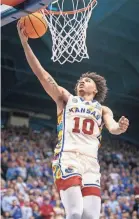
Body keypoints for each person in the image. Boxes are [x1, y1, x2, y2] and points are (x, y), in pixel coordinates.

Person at [17, 21, 129, 219]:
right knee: (75, 213)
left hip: (91, 164)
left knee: (91, 216)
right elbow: (42, 75)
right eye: (80, 80)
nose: (82, 81)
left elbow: (112, 128)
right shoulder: (65, 98)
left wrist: (120, 127)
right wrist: (25, 44)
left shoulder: (102, 109)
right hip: (68, 158)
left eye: (87, 80)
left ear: (95, 90)